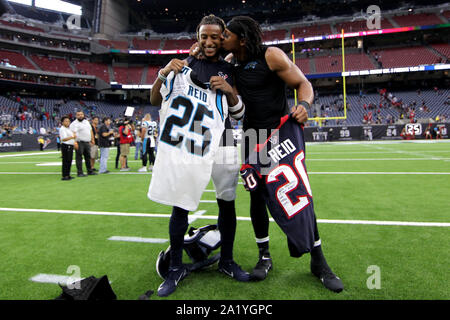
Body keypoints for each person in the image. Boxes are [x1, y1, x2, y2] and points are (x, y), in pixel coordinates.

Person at [221, 16, 343, 292]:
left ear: (242, 38)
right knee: (256, 196)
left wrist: (304, 104)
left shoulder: (271, 55)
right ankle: (264, 256)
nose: (223, 38)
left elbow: (304, 84)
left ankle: (318, 261)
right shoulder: (230, 63)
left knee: (298, 193)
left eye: (227, 34)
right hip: (252, 138)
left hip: (281, 133)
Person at [149, 14, 247, 297]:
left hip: (225, 138)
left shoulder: (230, 71)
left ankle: (227, 261)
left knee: (226, 202)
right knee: (181, 202)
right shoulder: (182, 66)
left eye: (215, 36)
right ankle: (176, 267)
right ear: (198, 37)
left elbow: (240, 113)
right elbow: (155, 99)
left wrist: (229, 92)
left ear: (222, 37)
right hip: (192, 139)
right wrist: (164, 71)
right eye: (204, 36)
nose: (209, 41)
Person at [69, 111, 96, 177]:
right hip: (79, 142)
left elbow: (90, 130)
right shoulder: (74, 124)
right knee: (79, 157)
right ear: (76, 116)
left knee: (88, 157)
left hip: (87, 142)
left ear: (83, 115)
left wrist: (92, 139)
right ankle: (80, 172)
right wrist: (74, 142)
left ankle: (89, 171)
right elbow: (72, 133)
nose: (80, 116)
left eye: (81, 114)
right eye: (78, 115)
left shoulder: (86, 122)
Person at [59, 116, 76, 180]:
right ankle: (65, 175)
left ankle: (68, 174)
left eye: (68, 121)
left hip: (70, 145)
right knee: (66, 160)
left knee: (69, 160)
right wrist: (72, 136)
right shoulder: (62, 129)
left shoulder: (68, 129)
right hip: (66, 145)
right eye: (66, 121)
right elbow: (63, 139)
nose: (68, 122)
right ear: (62, 122)